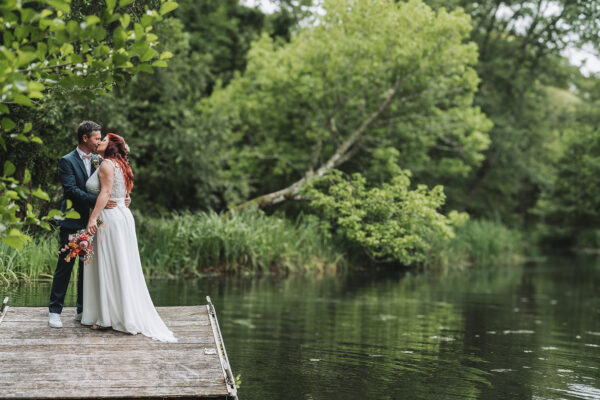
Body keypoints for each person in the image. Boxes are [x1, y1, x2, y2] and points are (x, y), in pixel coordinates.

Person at [82, 133, 176, 343]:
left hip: (110, 218)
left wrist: (92, 219)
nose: (100, 142)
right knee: (121, 265)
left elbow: (105, 193)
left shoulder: (107, 164)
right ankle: (115, 313)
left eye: (104, 140)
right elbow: (123, 193)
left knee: (110, 265)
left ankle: (109, 317)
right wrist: (124, 199)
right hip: (122, 216)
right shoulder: (120, 164)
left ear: (111, 146)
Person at [48, 121, 129, 329]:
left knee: (88, 267)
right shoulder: (67, 161)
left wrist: (123, 199)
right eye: (96, 138)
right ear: (85, 138)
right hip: (74, 220)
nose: (98, 141)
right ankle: (54, 311)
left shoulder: (98, 160)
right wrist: (98, 202)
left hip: (96, 222)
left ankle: (82, 309)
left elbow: (111, 184)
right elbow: (71, 190)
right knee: (65, 265)